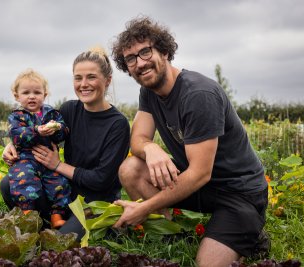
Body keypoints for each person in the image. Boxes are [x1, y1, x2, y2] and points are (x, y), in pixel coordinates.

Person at [111, 16, 268, 267]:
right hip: (199, 187)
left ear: (163, 51)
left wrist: (144, 208)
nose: (140, 63)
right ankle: (170, 234)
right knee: (131, 169)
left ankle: (252, 234)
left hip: (238, 192)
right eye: (131, 59)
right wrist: (151, 148)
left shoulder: (198, 95)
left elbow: (199, 174)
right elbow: (138, 139)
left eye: (145, 52)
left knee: (207, 264)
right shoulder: (149, 92)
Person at [1, 47, 130, 239]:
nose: (83, 84)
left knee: (61, 242)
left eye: (91, 77)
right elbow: (39, 129)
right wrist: (11, 145)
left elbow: (101, 180)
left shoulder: (117, 124)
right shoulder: (69, 110)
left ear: (107, 80)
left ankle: (70, 227)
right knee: (7, 184)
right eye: (78, 78)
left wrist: (58, 165)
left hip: (95, 202)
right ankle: (46, 222)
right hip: (65, 195)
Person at [6, 68, 71, 228]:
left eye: (37, 92)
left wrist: (57, 129)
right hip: (25, 160)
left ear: (45, 94)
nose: (32, 96)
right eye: (26, 92)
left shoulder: (52, 114)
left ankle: (57, 217)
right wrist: (37, 130)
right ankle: (28, 215)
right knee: (23, 182)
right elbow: (15, 135)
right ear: (17, 96)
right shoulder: (16, 116)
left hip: (50, 159)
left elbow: (64, 132)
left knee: (59, 183)